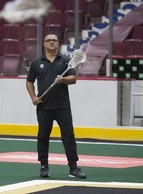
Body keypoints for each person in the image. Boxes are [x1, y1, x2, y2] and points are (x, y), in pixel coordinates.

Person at [26, 34, 86, 179]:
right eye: (48, 40)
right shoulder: (36, 62)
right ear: (44, 44)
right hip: (44, 106)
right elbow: (29, 82)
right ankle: (44, 166)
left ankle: (73, 168)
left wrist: (63, 79)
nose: (51, 42)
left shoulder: (65, 60)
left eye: (54, 40)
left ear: (58, 44)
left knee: (68, 137)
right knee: (43, 137)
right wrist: (33, 97)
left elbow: (73, 79)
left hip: (62, 107)